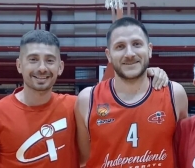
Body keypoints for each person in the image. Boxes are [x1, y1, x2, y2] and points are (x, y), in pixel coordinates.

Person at [0, 30, 170, 168]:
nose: (42, 68)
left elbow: (121, 93)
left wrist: (145, 72)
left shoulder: (77, 106)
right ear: (19, 65)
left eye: (49, 60)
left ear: (60, 67)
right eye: (33, 60)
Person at [75, 17, 189, 168]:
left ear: (149, 49)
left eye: (136, 44)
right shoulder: (87, 100)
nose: (129, 53)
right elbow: (84, 161)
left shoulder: (175, 94)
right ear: (108, 55)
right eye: (120, 46)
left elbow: (183, 156)